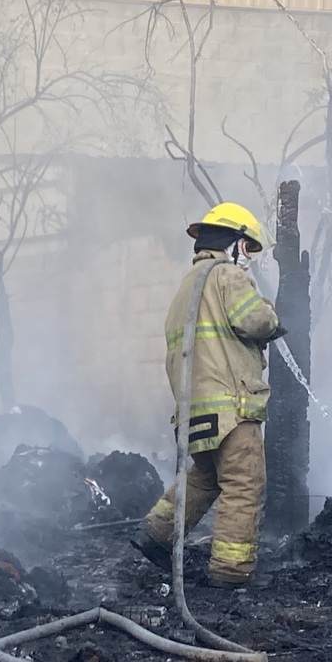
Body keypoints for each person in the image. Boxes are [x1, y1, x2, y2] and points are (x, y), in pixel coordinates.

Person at [133, 203, 283, 588]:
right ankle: (231, 572)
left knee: (205, 477)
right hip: (232, 407)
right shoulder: (227, 276)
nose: (249, 259)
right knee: (244, 483)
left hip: (195, 411)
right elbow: (256, 320)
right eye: (248, 248)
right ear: (232, 243)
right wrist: (272, 315)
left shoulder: (187, 287)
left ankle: (155, 533)